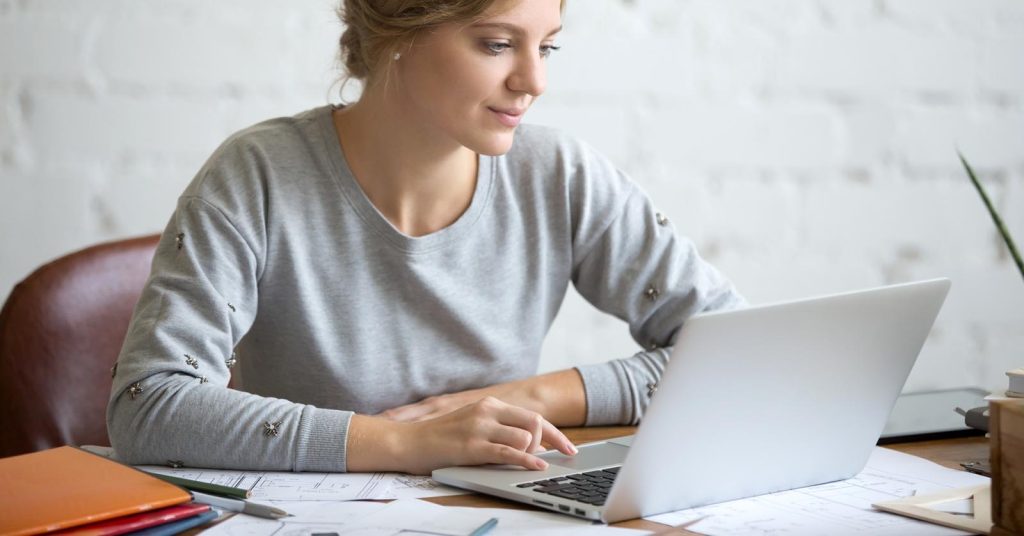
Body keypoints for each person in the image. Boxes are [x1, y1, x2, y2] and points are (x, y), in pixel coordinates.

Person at [107, 0, 745, 475]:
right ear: (399, 34)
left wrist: (528, 396)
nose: (534, 80)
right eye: (497, 44)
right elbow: (148, 404)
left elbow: (732, 346)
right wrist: (403, 442)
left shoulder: (561, 176)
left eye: (546, 47)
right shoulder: (258, 176)